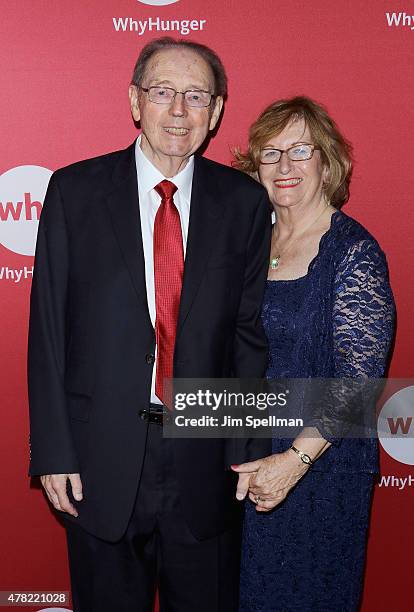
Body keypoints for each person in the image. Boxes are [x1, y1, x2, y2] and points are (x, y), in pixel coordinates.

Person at [27, 37, 271, 612]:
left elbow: (246, 336)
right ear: (136, 102)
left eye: (196, 96)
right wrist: (54, 450)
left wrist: (251, 447)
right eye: (164, 93)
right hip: (100, 460)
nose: (179, 111)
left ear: (216, 113)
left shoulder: (244, 204)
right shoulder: (74, 192)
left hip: (207, 461)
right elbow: (49, 333)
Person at [232, 96, 395, 611]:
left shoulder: (353, 253)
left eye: (300, 150)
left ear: (327, 162)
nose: (284, 166)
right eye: (270, 152)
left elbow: (358, 381)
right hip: (243, 457)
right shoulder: (249, 242)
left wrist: (293, 462)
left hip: (317, 469)